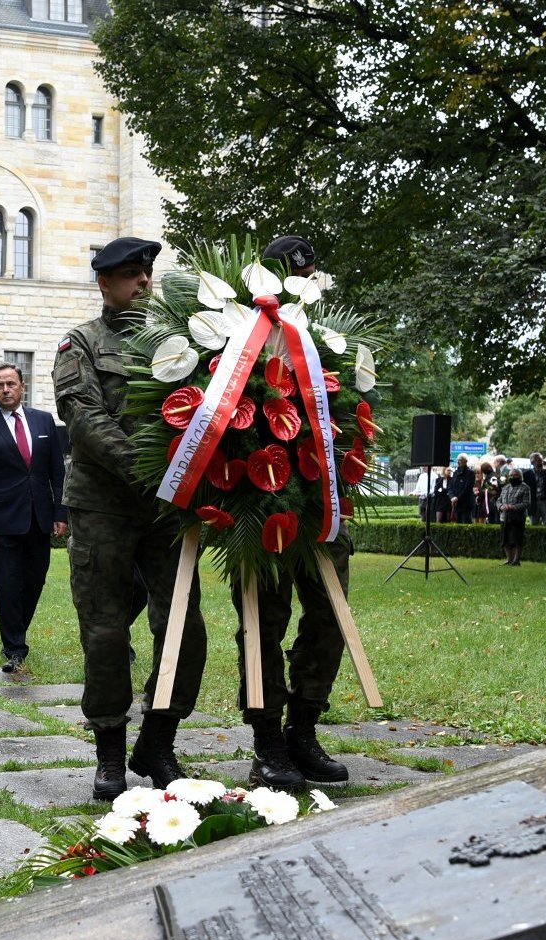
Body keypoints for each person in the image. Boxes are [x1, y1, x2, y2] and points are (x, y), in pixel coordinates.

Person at [55, 235, 207, 801]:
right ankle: (111, 755)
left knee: (184, 631)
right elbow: (85, 421)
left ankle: (159, 742)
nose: (144, 282)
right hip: (103, 507)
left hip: (168, 510)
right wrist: (147, 469)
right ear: (105, 283)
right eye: (131, 275)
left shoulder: (179, 345)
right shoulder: (81, 345)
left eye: (147, 274)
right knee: (106, 633)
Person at [229, 234, 355, 789]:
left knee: (330, 615)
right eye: (295, 273)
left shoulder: (324, 334)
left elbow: (346, 404)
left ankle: (304, 729)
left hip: (318, 499)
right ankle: (268, 741)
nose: (306, 280)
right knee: (262, 621)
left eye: (310, 271)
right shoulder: (237, 328)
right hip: (258, 501)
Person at [0, 362, 68, 674]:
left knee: (34, 581)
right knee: (8, 585)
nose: (5, 389)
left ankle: (17, 631)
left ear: (22, 386)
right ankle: (14, 648)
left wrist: (59, 513)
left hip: (39, 518)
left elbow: (57, 472)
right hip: (2, 522)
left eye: (10, 383)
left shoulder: (43, 421)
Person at [497, 466, 531, 565]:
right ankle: (509, 559)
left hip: (518, 517)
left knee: (516, 539)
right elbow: (499, 500)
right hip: (504, 517)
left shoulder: (525, 488)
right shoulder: (505, 487)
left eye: (515, 475)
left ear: (520, 476)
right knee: (505, 540)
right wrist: (501, 506)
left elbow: (527, 503)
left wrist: (513, 507)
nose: (513, 477)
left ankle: (516, 560)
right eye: (511, 475)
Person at [450, 456, 476, 523]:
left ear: (465, 461)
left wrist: (457, 498)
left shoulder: (470, 473)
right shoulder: (455, 473)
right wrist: (452, 497)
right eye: (458, 460)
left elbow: (468, 489)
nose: (458, 462)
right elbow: (451, 487)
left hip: (466, 504)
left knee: (466, 523)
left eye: (461, 460)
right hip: (456, 504)